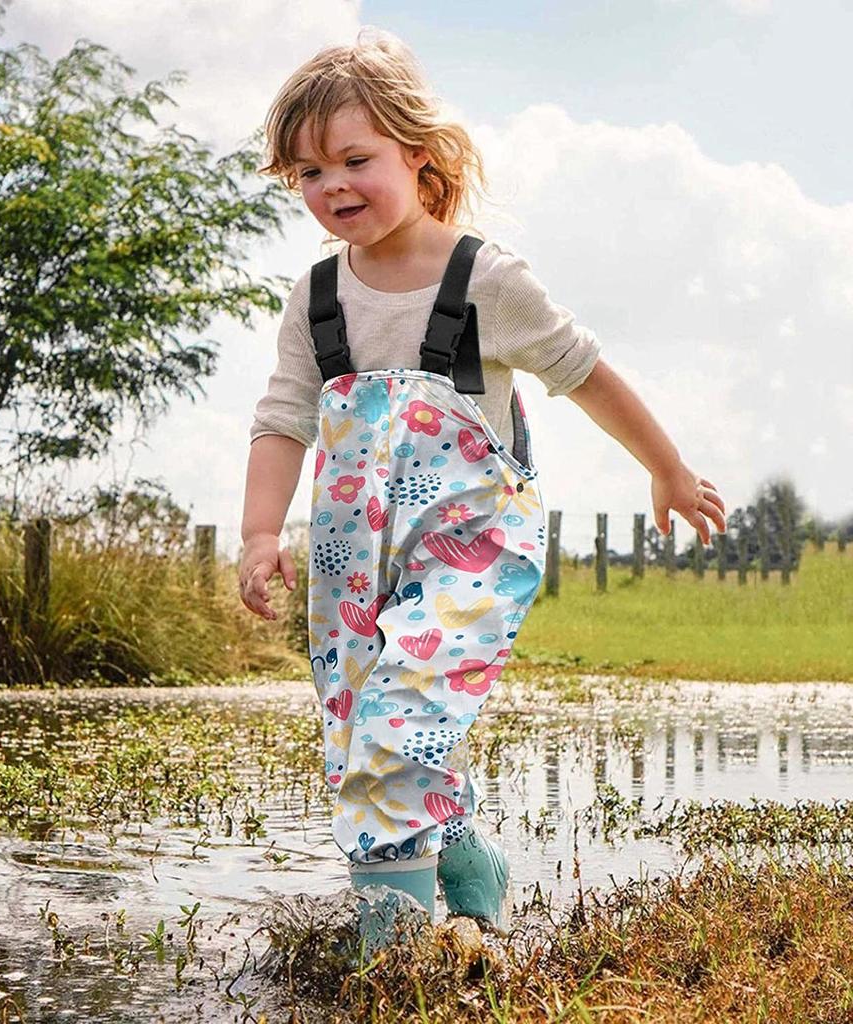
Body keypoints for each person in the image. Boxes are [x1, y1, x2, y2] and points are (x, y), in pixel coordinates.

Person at [238, 28, 727, 952]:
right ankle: (465, 861)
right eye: (307, 173)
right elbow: (283, 419)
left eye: (354, 160)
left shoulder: (487, 281)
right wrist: (263, 532)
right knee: (358, 728)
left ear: (418, 156)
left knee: (399, 718)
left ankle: (394, 940)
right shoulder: (314, 301)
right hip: (354, 561)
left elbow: (585, 372)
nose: (332, 186)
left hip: (475, 551)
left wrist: (664, 465)